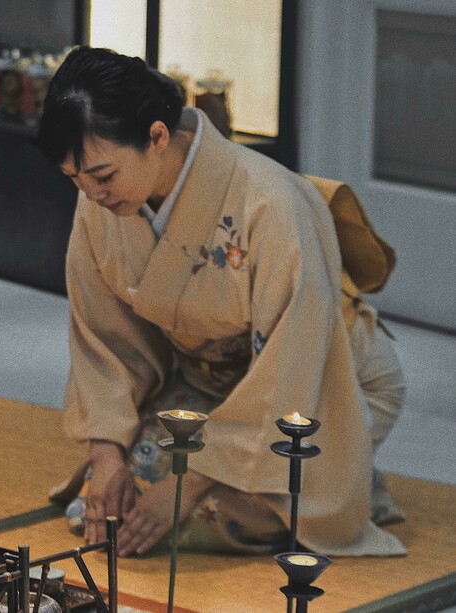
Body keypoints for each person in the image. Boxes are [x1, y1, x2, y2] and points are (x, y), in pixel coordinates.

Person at [36, 47, 406, 558]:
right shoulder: (100, 196)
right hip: (209, 385)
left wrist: (184, 492)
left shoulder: (270, 203)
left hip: (325, 383)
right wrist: (106, 455)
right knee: (112, 496)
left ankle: (349, 472)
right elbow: (103, 335)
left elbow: (291, 369)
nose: (91, 194)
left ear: (157, 138)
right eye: (75, 180)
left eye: (101, 176)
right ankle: (326, 473)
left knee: (223, 515)